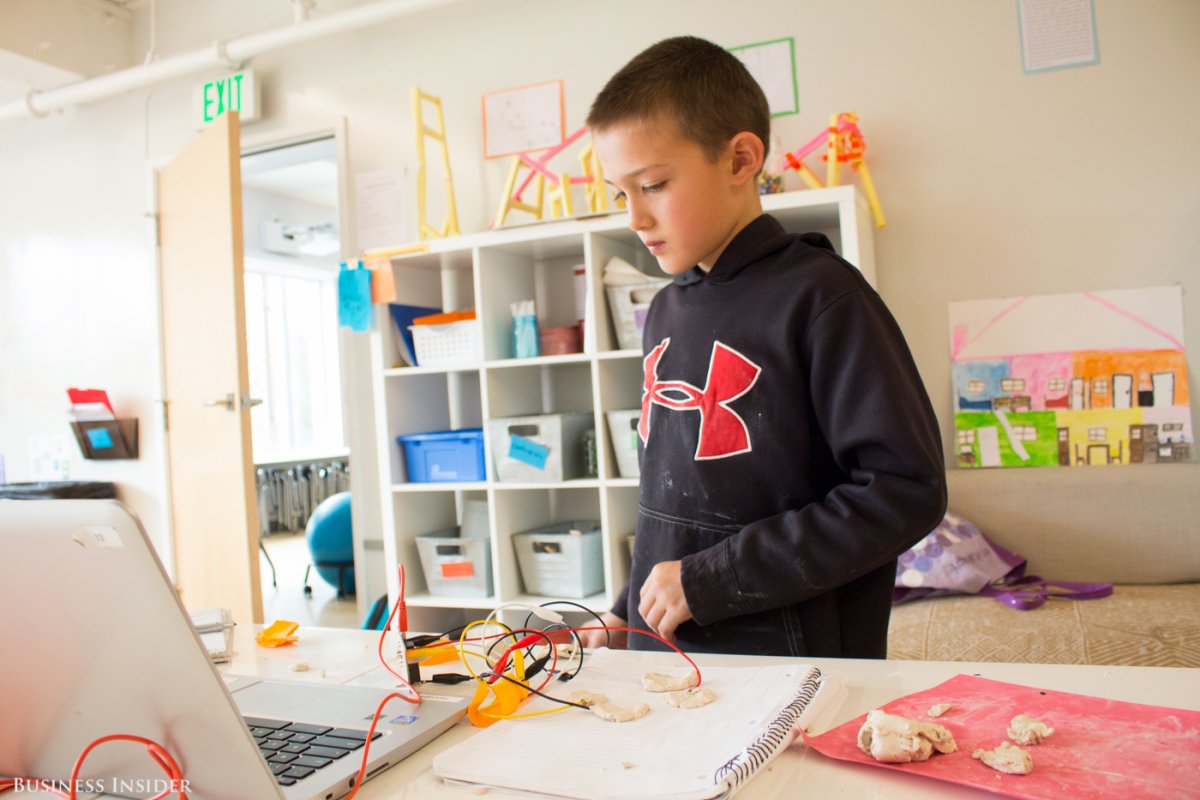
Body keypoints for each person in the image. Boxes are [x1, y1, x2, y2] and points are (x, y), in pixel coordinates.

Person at [578, 36, 946, 658]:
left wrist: (712, 578)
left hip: (791, 662)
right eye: (621, 194)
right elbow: (671, 496)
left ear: (741, 159)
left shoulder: (823, 297)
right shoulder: (664, 309)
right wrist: (627, 606)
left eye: (654, 184)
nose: (634, 219)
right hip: (674, 648)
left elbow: (904, 490)